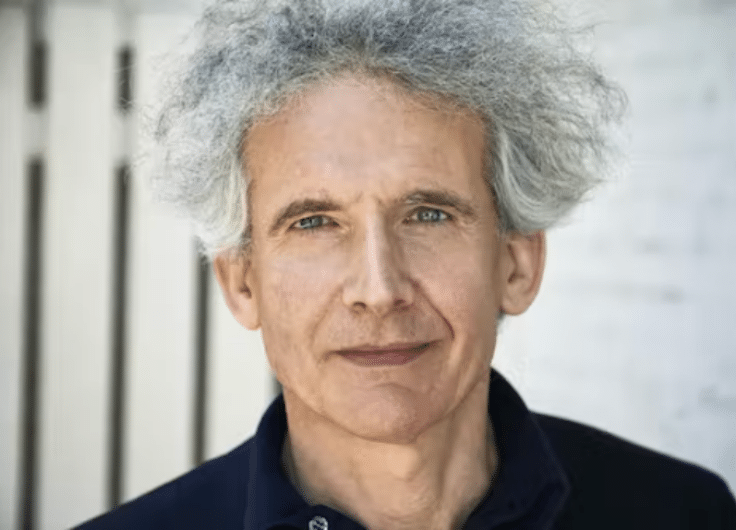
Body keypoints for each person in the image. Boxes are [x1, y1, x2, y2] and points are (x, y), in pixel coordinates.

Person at [75, 0, 736, 528]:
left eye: (428, 215)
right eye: (314, 222)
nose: (379, 288)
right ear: (240, 282)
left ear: (516, 263)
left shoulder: (684, 514)